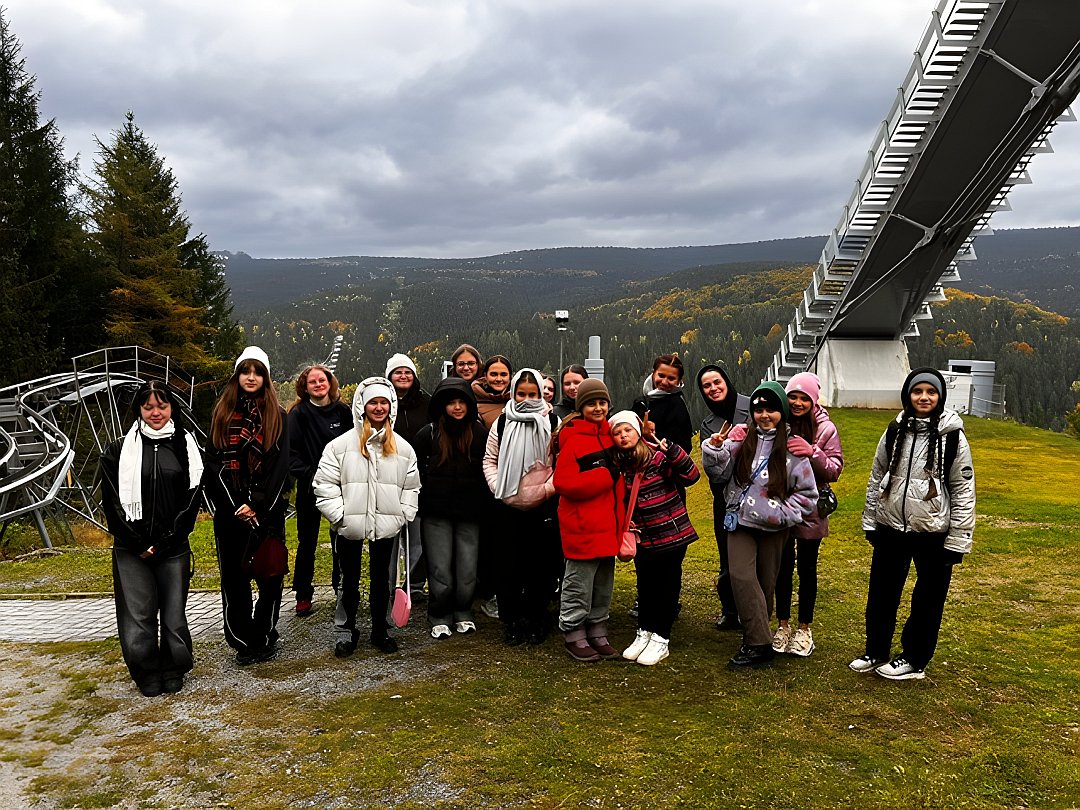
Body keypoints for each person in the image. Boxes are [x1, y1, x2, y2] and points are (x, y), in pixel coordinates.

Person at [850, 367, 975, 680]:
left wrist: (958, 540)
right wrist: (871, 519)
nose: (924, 397)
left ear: (940, 396)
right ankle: (876, 650)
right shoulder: (895, 429)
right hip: (892, 524)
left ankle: (914, 659)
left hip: (932, 529)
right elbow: (877, 474)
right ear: (908, 395)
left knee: (928, 599)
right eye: (918, 391)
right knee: (881, 592)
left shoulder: (952, 437)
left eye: (931, 392)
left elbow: (963, 489)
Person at [99, 381, 203, 696]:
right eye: (148, 406)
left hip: (173, 547)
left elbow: (192, 498)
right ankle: (145, 670)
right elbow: (112, 500)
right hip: (131, 549)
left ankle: (173, 666)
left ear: (172, 407)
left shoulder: (186, 445)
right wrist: (137, 541)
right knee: (138, 616)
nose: (155, 412)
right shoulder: (119, 449)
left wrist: (169, 539)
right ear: (139, 410)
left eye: (162, 406)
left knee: (173, 614)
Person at [702, 381, 817, 668]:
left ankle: (755, 636)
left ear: (782, 412)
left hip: (774, 527)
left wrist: (781, 514)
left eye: (771, 409)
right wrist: (715, 449)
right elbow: (718, 473)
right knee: (741, 575)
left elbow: (807, 495)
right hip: (740, 521)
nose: (764, 415)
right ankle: (759, 643)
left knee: (766, 582)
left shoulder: (792, 449)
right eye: (758, 409)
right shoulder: (741, 439)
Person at [314, 377, 421, 657]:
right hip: (350, 526)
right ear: (362, 405)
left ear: (391, 406)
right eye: (373, 402)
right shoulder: (339, 447)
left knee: (383, 580)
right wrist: (341, 517)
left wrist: (401, 515)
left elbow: (412, 487)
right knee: (347, 580)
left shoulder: (403, 449)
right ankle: (345, 631)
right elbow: (324, 484)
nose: (378, 407)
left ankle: (380, 629)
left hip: (386, 524)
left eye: (383, 402)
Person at [204, 347, 291, 666]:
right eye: (245, 371)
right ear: (237, 376)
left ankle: (264, 634)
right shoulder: (222, 414)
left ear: (265, 377)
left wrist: (257, 504)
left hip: (266, 513)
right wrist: (236, 504)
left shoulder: (278, 416)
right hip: (230, 513)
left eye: (257, 372)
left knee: (269, 574)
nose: (251, 377)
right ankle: (242, 640)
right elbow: (213, 464)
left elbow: (280, 468)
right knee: (234, 579)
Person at [609, 411, 700, 666]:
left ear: (638, 432)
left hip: (671, 533)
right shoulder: (619, 464)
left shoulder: (658, 457)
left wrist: (671, 448)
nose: (622, 436)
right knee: (646, 585)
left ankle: (661, 637)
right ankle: (644, 632)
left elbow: (692, 476)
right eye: (617, 432)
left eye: (627, 430)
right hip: (643, 537)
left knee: (667, 585)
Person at [483, 368, 560, 646]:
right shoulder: (503, 422)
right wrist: (499, 488)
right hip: (507, 506)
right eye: (521, 394)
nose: (527, 399)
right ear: (513, 393)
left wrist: (545, 490)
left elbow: (559, 461)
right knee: (508, 566)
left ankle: (538, 618)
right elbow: (489, 460)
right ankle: (513, 621)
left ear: (541, 394)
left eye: (533, 394)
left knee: (541, 566)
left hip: (543, 507)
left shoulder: (552, 420)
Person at [772, 372, 844, 657]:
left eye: (805, 398)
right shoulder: (780, 422)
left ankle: (805, 628)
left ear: (814, 401)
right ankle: (783, 624)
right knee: (782, 566)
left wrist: (812, 452)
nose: (798, 403)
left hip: (812, 508)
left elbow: (835, 470)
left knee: (807, 568)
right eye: (793, 397)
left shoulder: (826, 429)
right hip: (780, 503)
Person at [412, 378, 490, 638]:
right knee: (440, 567)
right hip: (436, 512)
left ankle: (463, 611)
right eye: (451, 403)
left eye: (461, 402)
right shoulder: (429, 434)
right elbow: (414, 472)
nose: (457, 407)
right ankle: (439, 614)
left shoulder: (480, 433)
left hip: (471, 511)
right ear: (442, 406)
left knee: (467, 567)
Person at [552, 379, 622, 662]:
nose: (598, 408)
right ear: (581, 407)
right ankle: (573, 631)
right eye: (591, 403)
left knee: (603, 582)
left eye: (602, 402)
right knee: (579, 582)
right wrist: (605, 476)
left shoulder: (611, 437)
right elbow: (564, 482)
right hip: (582, 525)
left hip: (609, 524)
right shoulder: (574, 440)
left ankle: (597, 628)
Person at [287, 364, 352, 616]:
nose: (317, 384)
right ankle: (303, 594)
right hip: (310, 487)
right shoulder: (298, 414)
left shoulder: (343, 412)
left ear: (329, 382)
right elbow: (291, 455)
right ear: (305, 387)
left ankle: (341, 588)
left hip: (342, 485)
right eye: (311, 381)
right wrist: (313, 475)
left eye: (321, 380)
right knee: (307, 542)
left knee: (342, 539)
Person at [696, 363, 750, 632]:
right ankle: (730, 610)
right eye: (707, 386)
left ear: (727, 382)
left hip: (757, 496)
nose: (713, 389)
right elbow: (714, 473)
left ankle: (755, 609)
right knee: (726, 556)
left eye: (717, 382)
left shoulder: (753, 407)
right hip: (726, 501)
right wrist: (716, 448)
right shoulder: (708, 425)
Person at [386, 352, 431, 599]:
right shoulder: (382, 402)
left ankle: (414, 586)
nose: (403, 376)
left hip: (420, 481)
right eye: (398, 372)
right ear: (389, 377)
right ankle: (390, 585)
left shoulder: (427, 403)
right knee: (391, 539)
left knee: (418, 538)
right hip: (389, 481)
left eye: (408, 372)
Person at [632, 354, 693, 455]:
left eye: (671, 378)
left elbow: (684, 447)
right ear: (653, 374)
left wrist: (653, 438)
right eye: (661, 375)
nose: (664, 382)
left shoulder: (677, 406)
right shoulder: (641, 402)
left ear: (679, 381)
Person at [473, 354, 513, 427]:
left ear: (510, 376)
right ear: (485, 375)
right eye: (493, 374)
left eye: (503, 375)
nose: (498, 379)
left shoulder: (520, 399)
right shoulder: (473, 399)